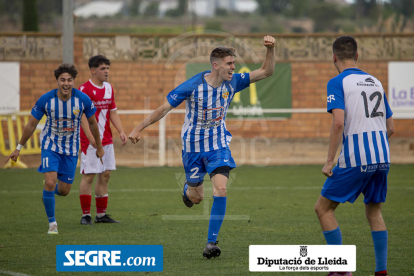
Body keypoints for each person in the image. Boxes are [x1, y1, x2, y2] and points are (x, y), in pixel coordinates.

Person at [128, 35, 276, 258]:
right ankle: (188, 191)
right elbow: (163, 108)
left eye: (234, 63)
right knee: (196, 198)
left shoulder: (234, 81)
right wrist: (139, 128)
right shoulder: (193, 86)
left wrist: (270, 49)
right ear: (216, 65)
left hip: (218, 146)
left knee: (221, 189)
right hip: (193, 148)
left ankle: (211, 243)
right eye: (229, 63)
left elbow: (266, 71)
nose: (233, 67)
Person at [314, 36, 394, 276]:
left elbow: (338, 122)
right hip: (382, 157)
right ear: (357, 56)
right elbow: (390, 128)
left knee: (323, 209)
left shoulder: (337, 82)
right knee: (374, 211)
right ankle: (381, 271)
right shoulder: (375, 81)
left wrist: (330, 160)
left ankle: (340, 270)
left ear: (334, 58)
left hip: (357, 158)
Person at [6, 63, 104, 234]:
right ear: (57, 81)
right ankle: (52, 224)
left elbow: (93, 123)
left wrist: (99, 146)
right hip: (50, 146)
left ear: (74, 81)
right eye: (62, 80)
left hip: (71, 150)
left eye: (70, 80)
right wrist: (18, 148)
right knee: (51, 181)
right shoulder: (46, 100)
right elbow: (31, 125)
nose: (66, 83)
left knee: (64, 191)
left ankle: (47, 192)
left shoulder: (82, 99)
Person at [78, 55, 127, 225]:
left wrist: (121, 131)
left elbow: (112, 111)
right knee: (89, 176)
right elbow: (82, 116)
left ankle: (101, 215)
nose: (106, 71)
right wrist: (91, 138)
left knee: (105, 175)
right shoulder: (84, 90)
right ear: (93, 70)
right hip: (90, 141)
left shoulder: (108, 88)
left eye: (107, 68)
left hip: (106, 140)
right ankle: (85, 215)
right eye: (102, 68)